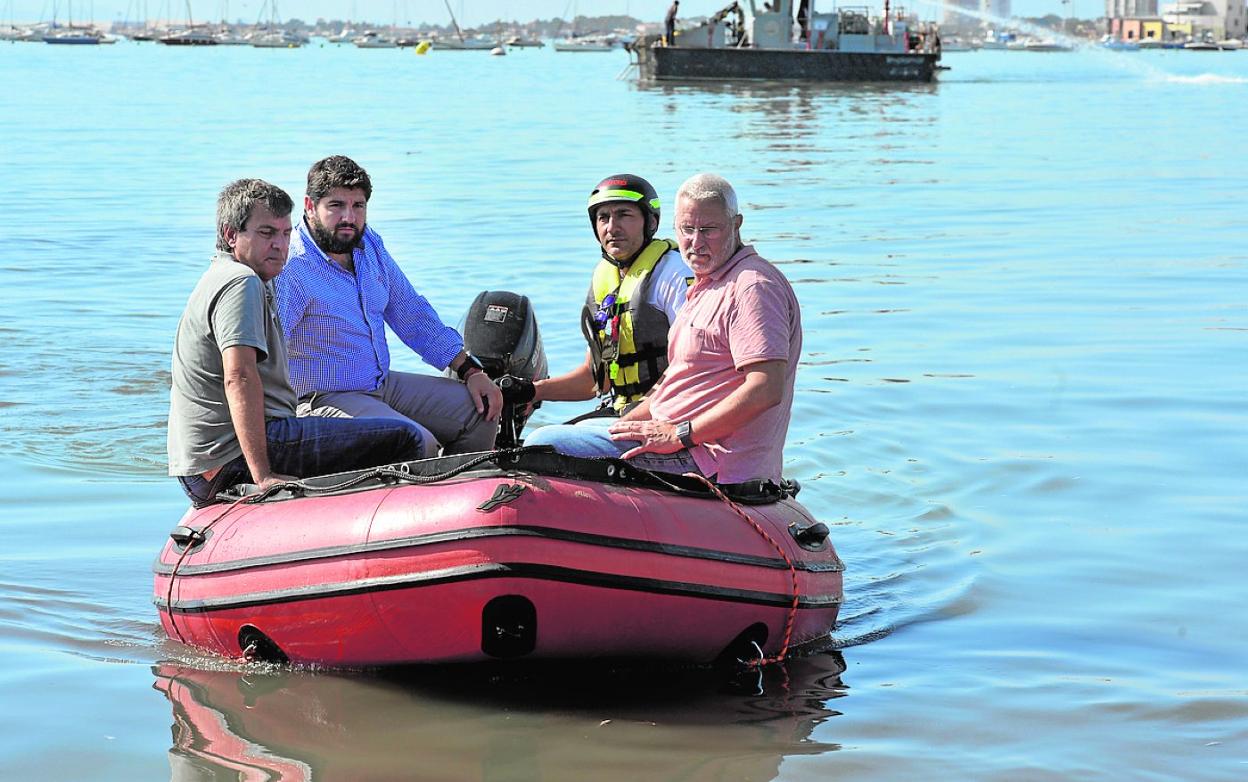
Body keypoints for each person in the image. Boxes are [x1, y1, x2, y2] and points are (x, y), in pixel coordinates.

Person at [525, 173, 802, 486]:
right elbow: (674, 382)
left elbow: (766, 389)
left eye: (709, 229)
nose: (696, 242)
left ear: (736, 224)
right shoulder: (707, 284)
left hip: (706, 457)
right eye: (687, 229)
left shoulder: (753, 287)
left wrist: (680, 434)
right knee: (550, 440)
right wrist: (624, 426)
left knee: (543, 443)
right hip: (671, 435)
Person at [168, 179, 424, 508]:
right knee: (404, 439)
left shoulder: (229, 275)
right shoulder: (240, 283)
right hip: (230, 461)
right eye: (266, 233)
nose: (279, 245)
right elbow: (239, 377)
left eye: (286, 233)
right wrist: (262, 477)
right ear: (231, 234)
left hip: (205, 464)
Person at [277, 156, 502, 459]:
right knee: (415, 441)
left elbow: (410, 311)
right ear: (309, 205)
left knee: (481, 411)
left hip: (380, 383)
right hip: (321, 398)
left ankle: (463, 497)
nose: (349, 217)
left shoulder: (369, 244)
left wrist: (469, 369)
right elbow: (264, 351)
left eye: (358, 206)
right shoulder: (292, 267)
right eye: (336, 206)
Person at [508, 175, 692, 422]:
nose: (612, 227)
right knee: (538, 447)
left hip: (671, 416)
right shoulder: (604, 280)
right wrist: (533, 391)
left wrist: (634, 419)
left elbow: (693, 367)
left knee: (549, 444)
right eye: (603, 217)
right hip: (622, 411)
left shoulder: (673, 273)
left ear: (651, 222)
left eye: (624, 215)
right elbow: (594, 381)